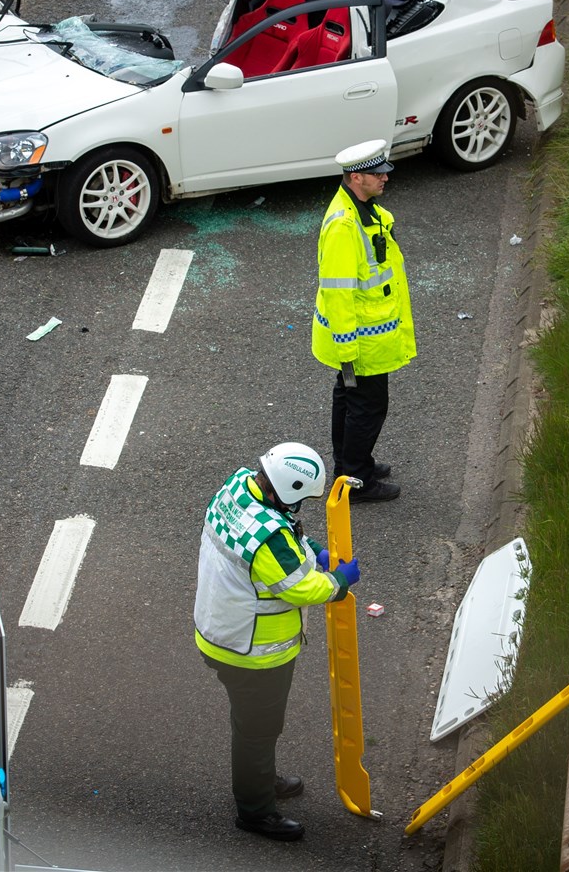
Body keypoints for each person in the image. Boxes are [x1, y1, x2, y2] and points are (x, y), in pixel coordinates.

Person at [194, 441, 361, 842]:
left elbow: (282, 534)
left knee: (255, 728)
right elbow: (300, 587)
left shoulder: (238, 488)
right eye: (298, 499)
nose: (298, 508)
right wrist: (338, 582)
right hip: (250, 653)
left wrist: (313, 549)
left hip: (222, 631)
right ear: (285, 489)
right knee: (257, 731)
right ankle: (255, 811)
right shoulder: (269, 540)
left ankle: (261, 779)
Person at [312, 139, 416, 502]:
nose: (385, 179)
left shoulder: (362, 209)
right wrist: (348, 349)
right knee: (368, 407)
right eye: (378, 174)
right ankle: (356, 481)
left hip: (362, 338)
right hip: (359, 342)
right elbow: (338, 292)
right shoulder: (343, 226)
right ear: (357, 178)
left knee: (349, 400)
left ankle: (349, 465)